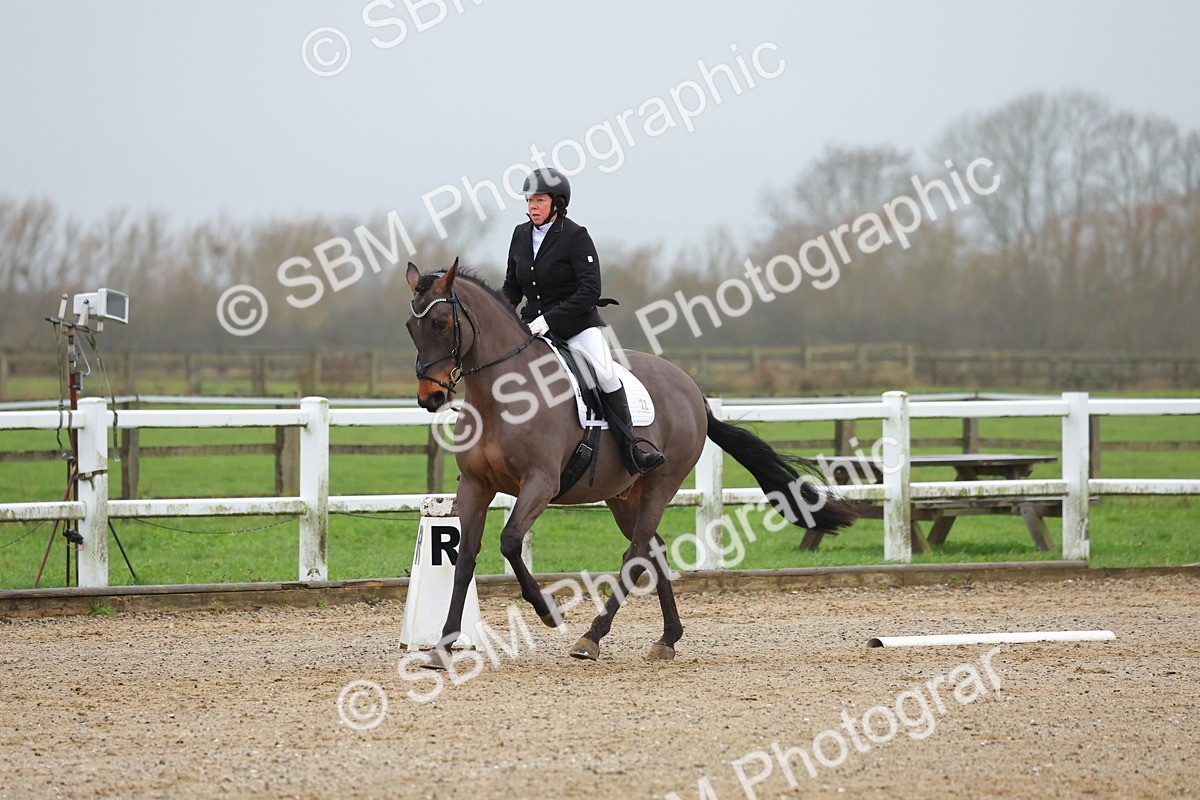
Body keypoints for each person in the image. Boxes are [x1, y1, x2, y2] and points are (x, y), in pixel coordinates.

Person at [501, 167, 665, 475]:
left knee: (604, 374)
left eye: (539, 200)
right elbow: (512, 286)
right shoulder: (520, 235)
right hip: (531, 328)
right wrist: (501, 315)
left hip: (576, 328)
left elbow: (590, 290)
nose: (532, 207)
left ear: (557, 204)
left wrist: (549, 319)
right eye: (529, 201)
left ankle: (632, 447)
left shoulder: (576, 236)